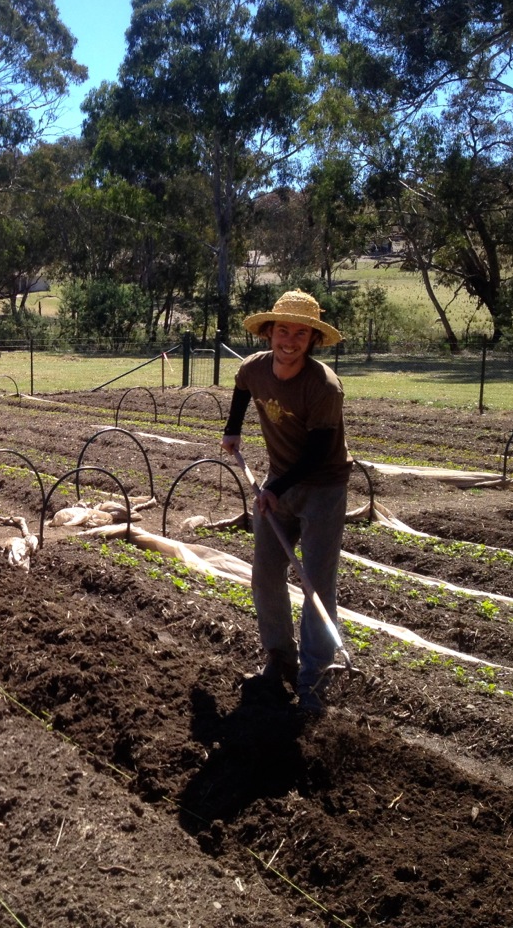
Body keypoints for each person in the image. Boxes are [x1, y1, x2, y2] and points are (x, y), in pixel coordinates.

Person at [219, 290, 352, 715]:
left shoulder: (324, 386)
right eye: (282, 331)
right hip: (281, 480)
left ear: (311, 339)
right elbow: (242, 388)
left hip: (323, 488)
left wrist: (274, 490)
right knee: (265, 574)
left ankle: (314, 676)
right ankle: (279, 657)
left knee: (316, 584)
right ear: (269, 333)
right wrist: (232, 429)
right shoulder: (254, 368)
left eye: (300, 333)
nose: (289, 341)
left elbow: (316, 454)